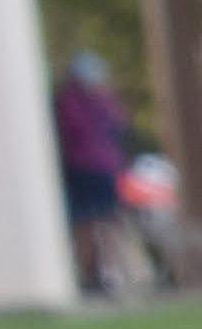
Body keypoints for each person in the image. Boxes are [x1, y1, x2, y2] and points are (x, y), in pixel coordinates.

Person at [54, 53, 139, 296]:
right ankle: (91, 274)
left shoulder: (102, 100)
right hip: (83, 169)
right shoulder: (71, 102)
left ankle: (110, 273)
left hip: (104, 168)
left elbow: (119, 126)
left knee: (108, 221)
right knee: (87, 223)